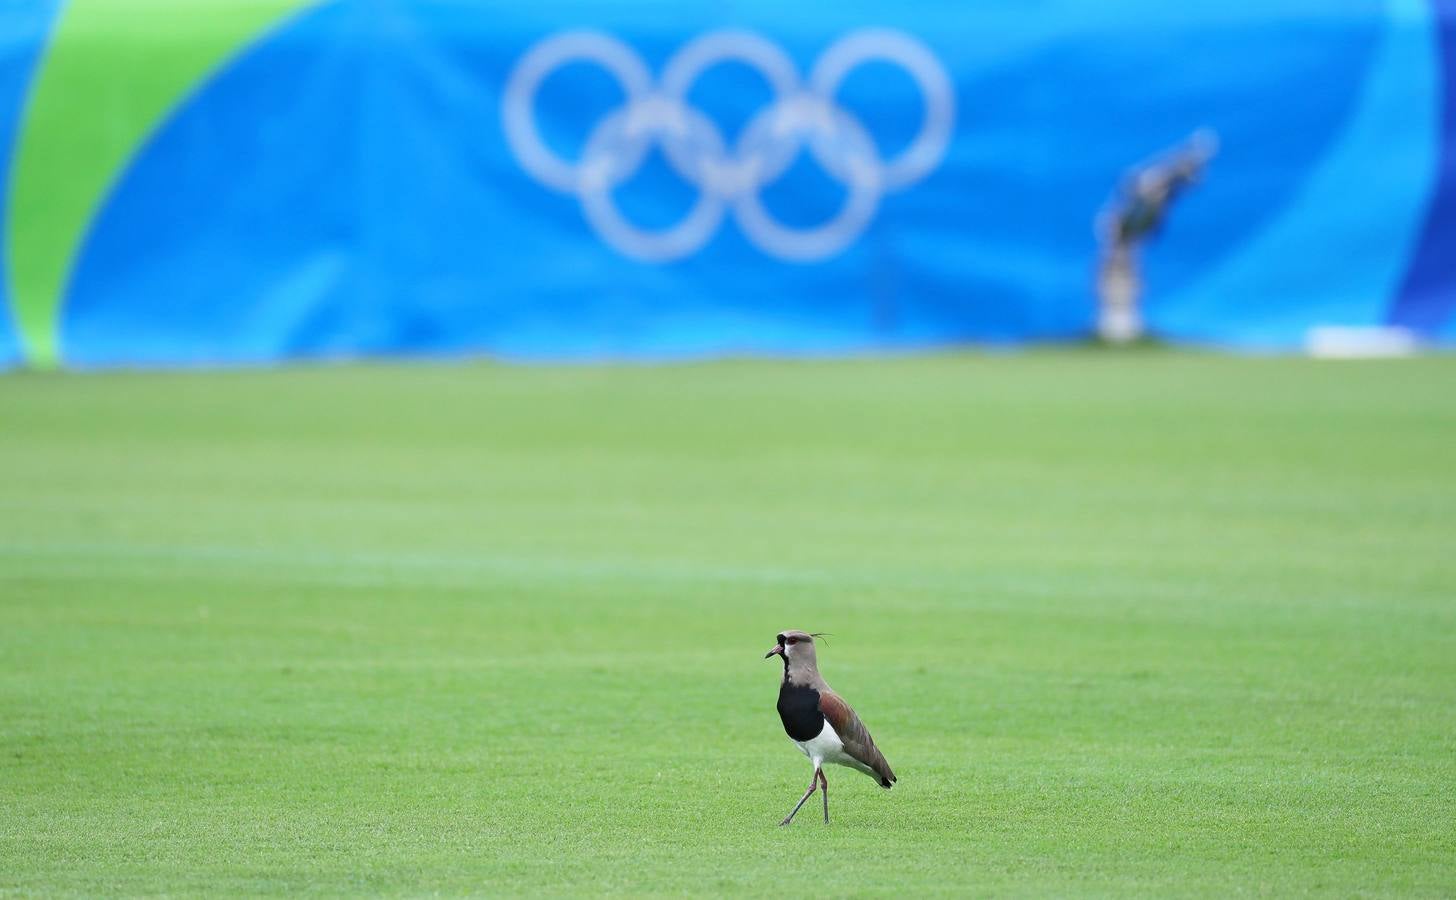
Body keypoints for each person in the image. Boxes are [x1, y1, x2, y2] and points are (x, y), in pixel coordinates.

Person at [1095, 129, 1218, 343]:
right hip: (1122, 234)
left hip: (1135, 234)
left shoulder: (1165, 192)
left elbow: (1188, 179)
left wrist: (1193, 159)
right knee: (1116, 271)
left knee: (1129, 271)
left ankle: (1126, 327)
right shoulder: (1134, 200)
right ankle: (1113, 327)